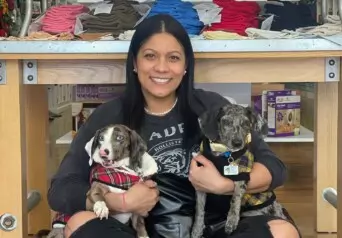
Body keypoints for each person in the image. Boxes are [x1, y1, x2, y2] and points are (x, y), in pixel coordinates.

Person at [47, 14, 300, 238]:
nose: (161, 68)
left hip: (215, 226)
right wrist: (121, 202)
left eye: (174, 58)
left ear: (186, 65)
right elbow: (61, 188)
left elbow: (275, 168)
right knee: (80, 222)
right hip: (138, 229)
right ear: (134, 63)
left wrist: (225, 185)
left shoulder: (213, 108)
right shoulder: (110, 117)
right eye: (150, 56)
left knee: (282, 231)